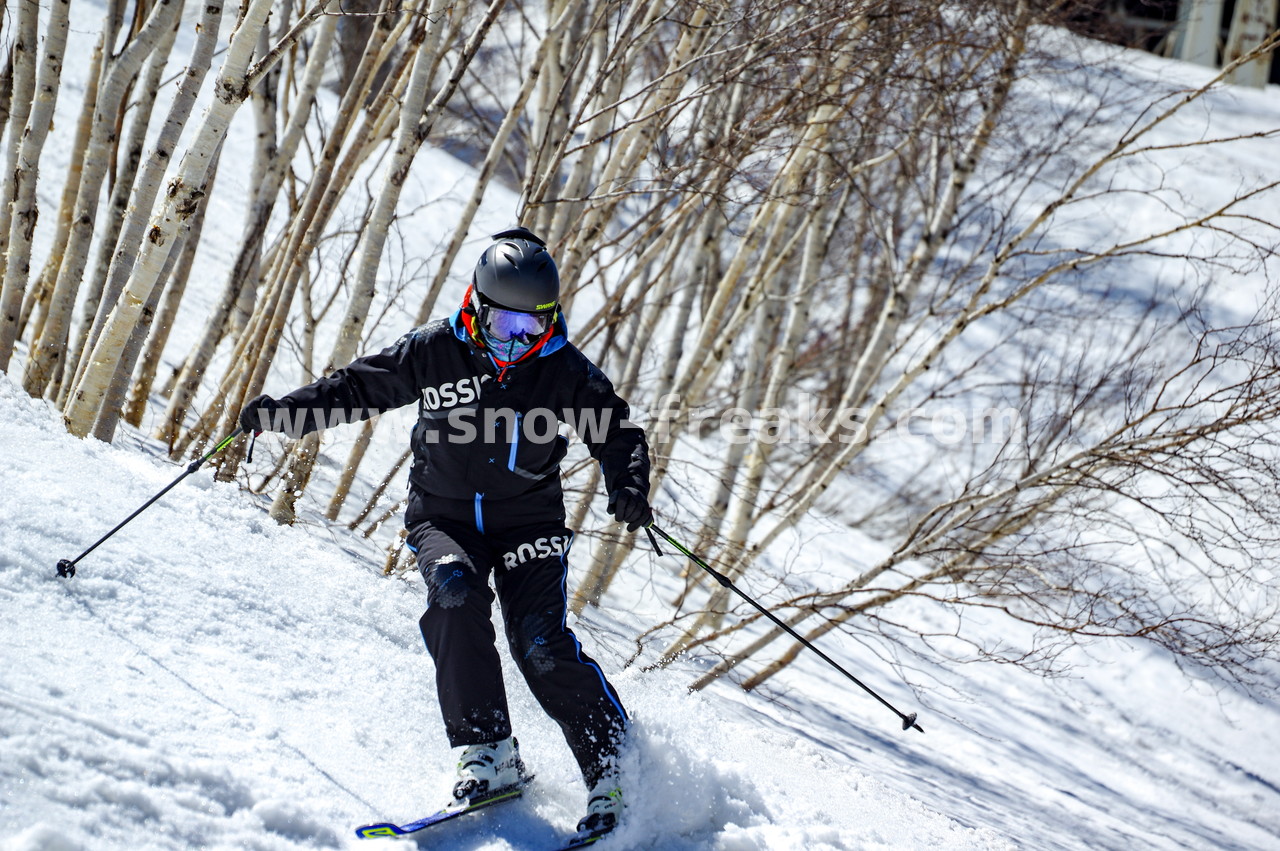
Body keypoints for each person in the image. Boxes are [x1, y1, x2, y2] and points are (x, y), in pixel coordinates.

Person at [239, 227, 652, 833]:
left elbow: (616, 434)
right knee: (455, 597)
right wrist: (289, 412)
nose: (519, 341)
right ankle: (487, 753)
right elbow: (360, 386)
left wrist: (628, 484)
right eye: (506, 325)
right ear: (477, 307)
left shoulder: (562, 371)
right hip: (443, 517)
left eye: (533, 327)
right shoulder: (434, 350)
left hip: (528, 524)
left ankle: (614, 766)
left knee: (538, 646)